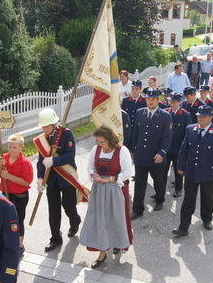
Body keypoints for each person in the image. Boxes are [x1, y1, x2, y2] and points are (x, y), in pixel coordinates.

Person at [34, 109, 88, 252]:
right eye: (43, 126)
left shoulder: (66, 134)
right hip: (50, 179)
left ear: (53, 124)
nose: (44, 129)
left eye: (46, 126)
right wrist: (40, 178)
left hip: (66, 176)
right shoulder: (42, 139)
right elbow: (41, 161)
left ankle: (75, 220)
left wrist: (54, 160)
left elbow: (70, 156)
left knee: (68, 205)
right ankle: (55, 239)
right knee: (53, 209)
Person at [80, 125, 133, 268]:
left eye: (102, 142)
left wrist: (109, 179)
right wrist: (94, 174)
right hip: (99, 190)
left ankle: (117, 243)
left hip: (117, 189)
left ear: (110, 139)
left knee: (116, 219)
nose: (99, 144)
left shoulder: (122, 151)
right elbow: (90, 166)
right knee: (100, 220)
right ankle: (102, 253)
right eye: (97, 142)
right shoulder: (95, 150)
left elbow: (127, 172)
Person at [172, 105, 213, 237]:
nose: (201, 118)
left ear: (210, 117)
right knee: (188, 200)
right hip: (191, 171)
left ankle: (207, 219)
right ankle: (183, 227)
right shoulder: (190, 129)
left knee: (207, 198)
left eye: (204, 116)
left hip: (208, 173)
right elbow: (184, 149)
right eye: (199, 116)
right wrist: (180, 166)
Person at [130, 88, 172, 219]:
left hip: (156, 157)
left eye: (153, 99)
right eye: (148, 99)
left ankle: (160, 199)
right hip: (141, 155)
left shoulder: (165, 116)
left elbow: (167, 137)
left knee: (158, 181)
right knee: (139, 184)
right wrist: (132, 150)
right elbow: (135, 133)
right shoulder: (139, 113)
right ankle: (138, 210)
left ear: (158, 100)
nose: (150, 101)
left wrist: (162, 153)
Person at [0, 134, 34, 257]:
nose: (11, 149)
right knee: (4, 219)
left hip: (19, 196)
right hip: (5, 194)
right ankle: (6, 242)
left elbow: (26, 182)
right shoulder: (4, 158)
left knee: (17, 220)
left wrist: (8, 176)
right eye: (10, 146)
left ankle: (19, 244)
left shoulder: (25, 163)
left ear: (22, 147)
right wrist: (0, 165)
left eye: (14, 147)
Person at [163, 93, 190, 198]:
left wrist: (185, 149)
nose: (172, 104)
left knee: (178, 171)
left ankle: (178, 189)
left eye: (174, 102)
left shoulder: (185, 115)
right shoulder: (165, 113)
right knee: (163, 172)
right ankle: (161, 190)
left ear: (179, 102)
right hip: (166, 148)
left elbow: (187, 134)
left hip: (178, 149)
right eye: (171, 102)